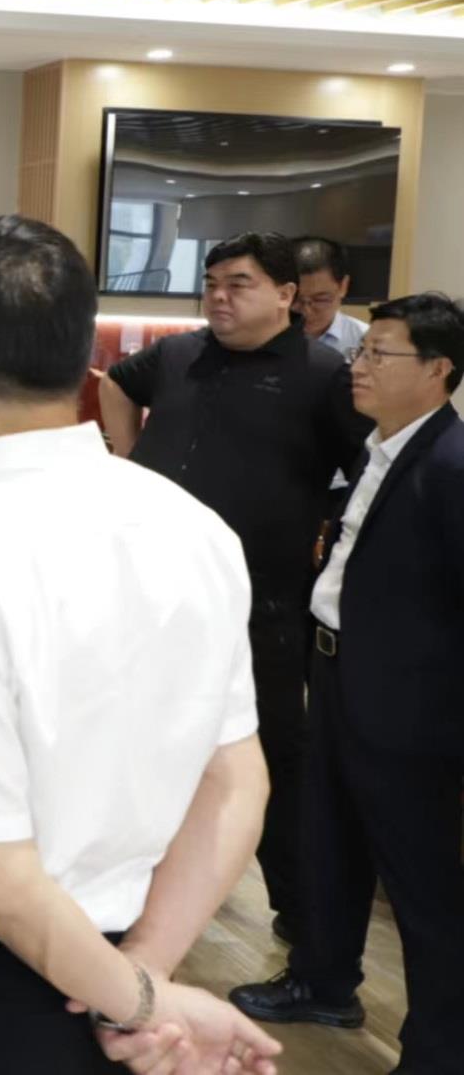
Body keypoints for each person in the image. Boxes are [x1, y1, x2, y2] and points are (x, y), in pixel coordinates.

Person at [0, 214, 280, 1075]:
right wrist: (143, 973)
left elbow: (1, 879)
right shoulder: (194, 527)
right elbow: (235, 782)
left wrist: (137, 997)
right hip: (116, 958)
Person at [98, 231, 370, 945]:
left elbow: (367, 471)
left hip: (261, 603)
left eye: (238, 284)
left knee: (270, 756)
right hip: (151, 594)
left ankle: (302, 915)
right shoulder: (181, 354)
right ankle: (131, 896)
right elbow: (115, 384)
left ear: (285, 294)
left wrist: (329, 529)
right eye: (212, 283)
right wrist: (128, 460)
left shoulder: (323, 373)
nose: (219, 297)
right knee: (140, 742)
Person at [230, 293, 464, 1073]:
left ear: (437, 369)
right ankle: (324, 980)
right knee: (329, 839)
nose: (358, 365)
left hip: (409, 707)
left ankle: (440, 1048)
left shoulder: (450, 465)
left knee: (420, 881)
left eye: (378, 354)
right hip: (337, 672)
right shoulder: (378, 448)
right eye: (363, 351)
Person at [292, 236, 367, 356]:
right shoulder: (262, 338)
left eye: (320, 300)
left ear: (343, 286)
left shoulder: (364, 340)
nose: (306, 312)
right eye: (295, 299)